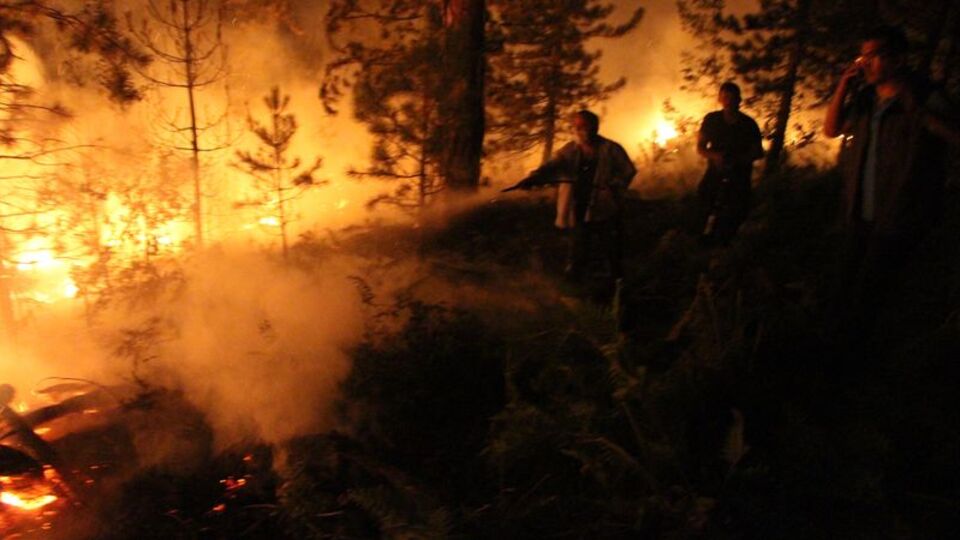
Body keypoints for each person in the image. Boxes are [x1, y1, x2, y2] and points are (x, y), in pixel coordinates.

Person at [823, 25, 959, 347]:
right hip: (860, 213)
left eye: (875, 56)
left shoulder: (927, 94)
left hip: (899, 214)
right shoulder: (866, 99)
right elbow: (831, 129)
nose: (866, 64)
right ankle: (836, 351)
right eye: (863, 57)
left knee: (869, 295)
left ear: (898, 59)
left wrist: (918, 112)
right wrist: (843, 85)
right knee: (843, 287)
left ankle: (854, 363)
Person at [508, 110, 636, 281]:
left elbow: (628, 171)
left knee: (610, 246)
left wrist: (613, 186)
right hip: (578, 206)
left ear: (595, 127)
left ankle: (616, 283)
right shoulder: (569, 150)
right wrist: (532, 179)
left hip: (605, 207)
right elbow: (551, 166)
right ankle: (575, 279)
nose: (581, 130)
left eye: (584, 126)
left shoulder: (611, 149)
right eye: (577, 127)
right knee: (578, 243)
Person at [695, 82, 764, 245]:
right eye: (725, 97)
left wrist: (738, 161)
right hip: (714, 175)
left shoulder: (748, 124)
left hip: (739, 178)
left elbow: (758, 152)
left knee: (735, 215)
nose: (728, 101)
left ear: (739, 100)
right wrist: (716, 156)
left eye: (732, 97)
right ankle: (702, 244)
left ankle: (728, 248)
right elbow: (700, 147)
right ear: (720, 98)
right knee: (704, 205)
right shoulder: (711, 120)